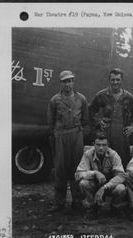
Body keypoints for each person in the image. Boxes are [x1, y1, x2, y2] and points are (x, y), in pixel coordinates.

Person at [47, 70, 88, 212]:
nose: (68, 84)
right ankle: (59, 202)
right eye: (65, 81)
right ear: (61, 83)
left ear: (73, 82)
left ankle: (77, 201)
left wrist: (78, 131)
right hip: (61, 136)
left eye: (70, 80)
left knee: (77, 168)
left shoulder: (81, 98)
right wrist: (57, 135)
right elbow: (50, 122)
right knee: (60, 169)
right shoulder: (54, 100)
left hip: (76, 135)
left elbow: (85, 119)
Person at [88, 68, 133, 168]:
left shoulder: (128, 97)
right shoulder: (101, 95)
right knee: (106, 160)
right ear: (109, 80)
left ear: (122, 80)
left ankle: (122, 181)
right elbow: (91, 110)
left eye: (118, 80)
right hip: (107, 133)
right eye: (113, 79)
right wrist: (98, 122)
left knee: (122, 160)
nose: (115, 82)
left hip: (122, 135)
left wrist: (132, 127)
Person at [75, 132, 127, 217]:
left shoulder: (114, 155)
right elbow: (78, 174)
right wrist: (95, 173)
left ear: (108, 145)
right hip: (94, 185)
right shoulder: (88, 154)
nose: (101, 148)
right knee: (83, 183)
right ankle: (92, 206)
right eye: (98, 145)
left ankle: (115, 207)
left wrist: (104, 187)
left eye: (104, 145)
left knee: (121, 188)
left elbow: (121, 176)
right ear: (93, 145)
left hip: (109, 185)